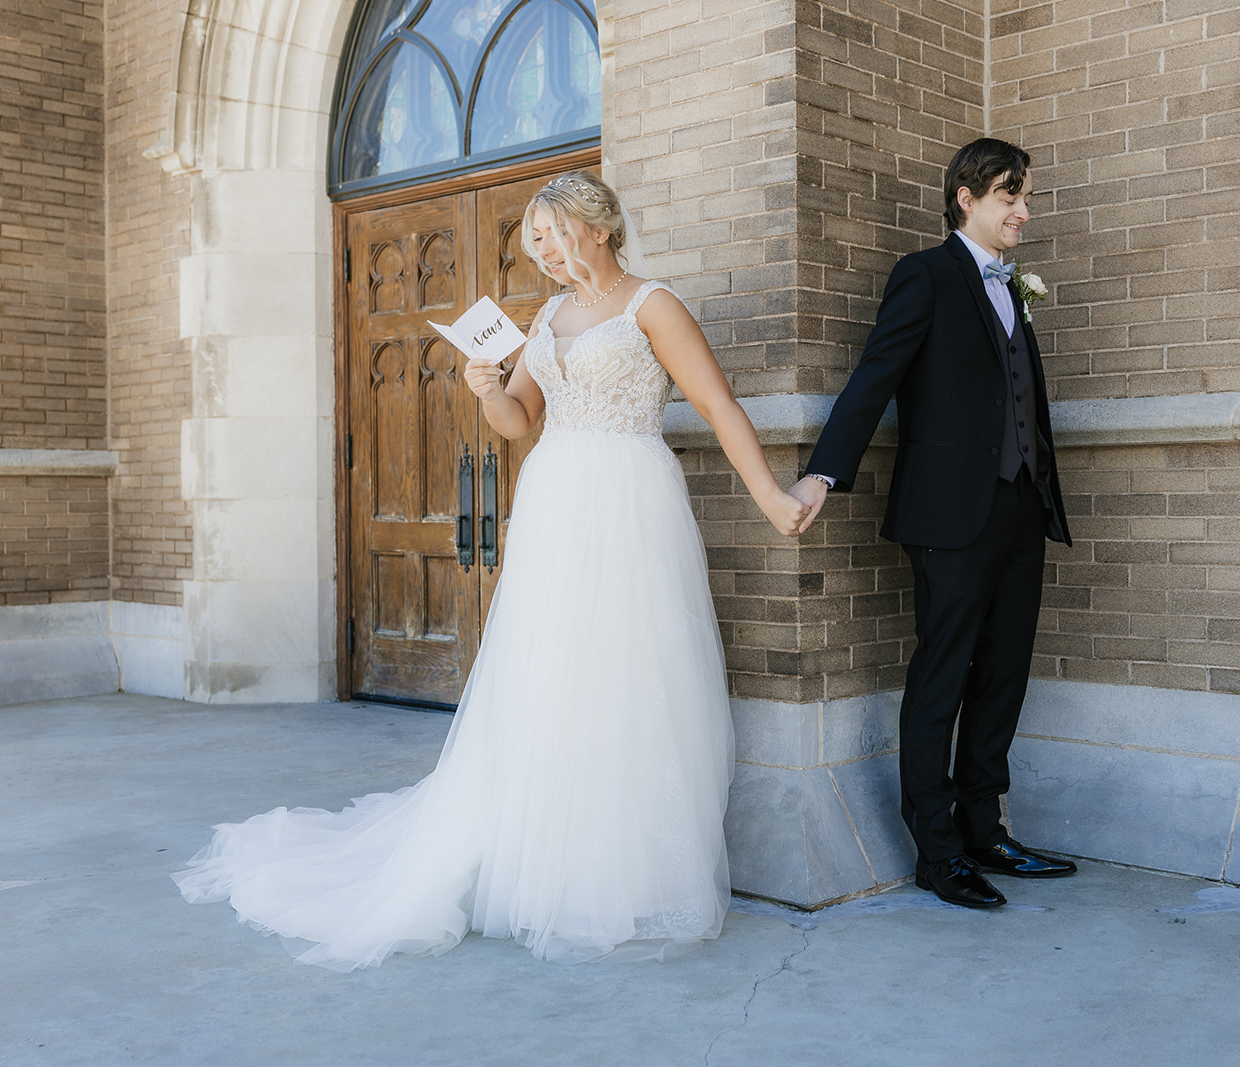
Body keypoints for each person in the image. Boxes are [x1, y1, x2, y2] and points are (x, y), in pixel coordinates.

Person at [173, 171, 809, 969]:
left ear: (599, 226)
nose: (540, 249)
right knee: (545, 672)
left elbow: (717, 406)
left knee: (626, 672)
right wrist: (483, 388)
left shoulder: (653, 305)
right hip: (554, 502)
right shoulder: (547, 314)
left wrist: (772, 498)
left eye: (551, 232)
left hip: (629, 500)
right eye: (532, 239)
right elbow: (518, 421)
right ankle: (535, 852)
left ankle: (619, 868)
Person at [786, 138, 1075, 910]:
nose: (1024, 209)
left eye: (1027, 195)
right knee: (943, 676)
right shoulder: (926, 274)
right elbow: (875, 373)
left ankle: (987, 829)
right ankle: (937, 851)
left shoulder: (1013, 286)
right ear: (965, 198)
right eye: (1011, 195)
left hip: (1020, 508)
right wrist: (822, 470)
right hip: (949, 513)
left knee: (1004, 672)